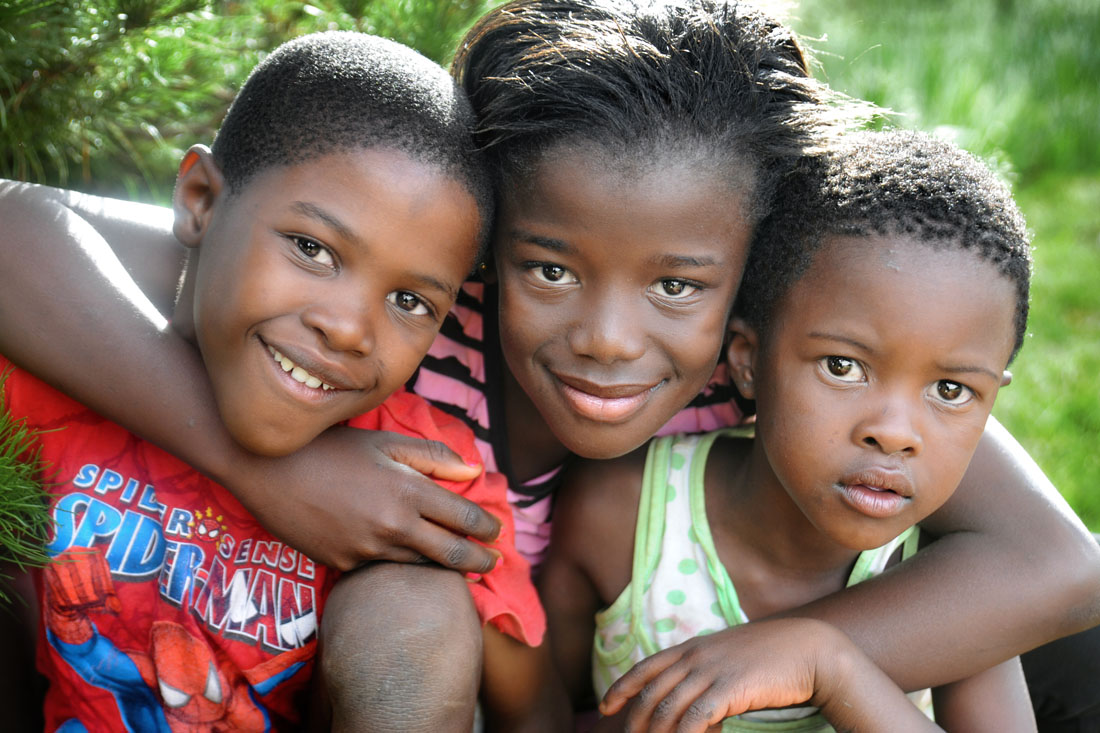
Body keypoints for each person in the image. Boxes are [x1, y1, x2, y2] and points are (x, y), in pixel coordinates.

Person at [1, 0, 1098, 726]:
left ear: (752, 277)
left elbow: (1060, 565)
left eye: (676, 285)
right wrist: (265, 466)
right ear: (486, 238)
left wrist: (800, 649)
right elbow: (20, 228)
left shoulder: (763, 352)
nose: (608, 339)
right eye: (549, 270)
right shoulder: (423, 302)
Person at [0, 31, 547, 732]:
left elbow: (531, 708)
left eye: (410, 301)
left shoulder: (423, 474)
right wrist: (270, 472)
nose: (349, 330)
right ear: (199, 200)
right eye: (313, 249)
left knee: (420, 599)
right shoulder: (65, 361)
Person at [542, 130, 1039, 731]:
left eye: (952, 391)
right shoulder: (620, 514)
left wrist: (828, 663)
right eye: (842, 366)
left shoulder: (948, 577)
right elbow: (544, 717)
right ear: (749, 359)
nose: (894, 433)